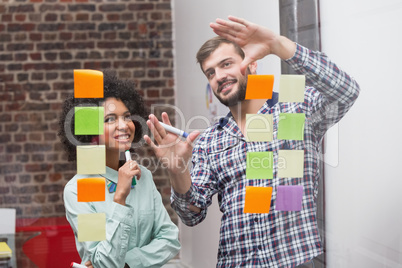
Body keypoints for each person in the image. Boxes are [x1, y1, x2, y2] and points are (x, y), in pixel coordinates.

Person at [144, 16, 360, 268]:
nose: (219, 76)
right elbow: (191, 214)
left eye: (226, 64)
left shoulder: (296, 111)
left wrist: (277, 44)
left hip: (293, 261)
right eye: (210, 72)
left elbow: (346, 91)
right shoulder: (210, 140)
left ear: (252, 65)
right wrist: (177, 170)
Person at [59, 70, 181, 268]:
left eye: (126, 116)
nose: (124, 125)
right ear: (91, 132)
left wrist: (127, 264)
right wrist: (120, 198)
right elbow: (104, 261)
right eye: (110, 119)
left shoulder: (143, 177)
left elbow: (170, 240)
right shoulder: (81, 188)